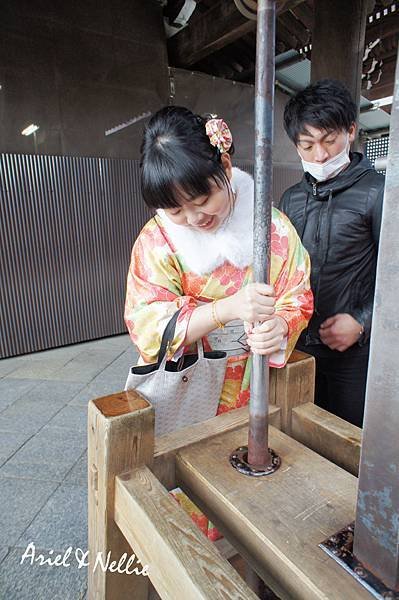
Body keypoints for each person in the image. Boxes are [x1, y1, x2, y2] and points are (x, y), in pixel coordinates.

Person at [125, 105, 313, 539]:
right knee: (185, 492)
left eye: (202, 199)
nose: (194, 218)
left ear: (225, 166)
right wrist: (226, 309)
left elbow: (297, 295)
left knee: (249, 493)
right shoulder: (156, 242)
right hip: (191, 383)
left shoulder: (274, 231)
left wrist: (280, 325)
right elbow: (147, 322)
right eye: (176, 210)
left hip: (253, 381)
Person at [279, 79, 384, 428]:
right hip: (298, 346)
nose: (320, 155)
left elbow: (395, 276)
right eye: (307, 145)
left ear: (351, 131)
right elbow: (281, 271)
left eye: (329, 140)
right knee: (298, 432)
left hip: (352, 353)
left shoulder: (377, 193)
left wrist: (362, 322)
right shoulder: (291, 199)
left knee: (347, 440)